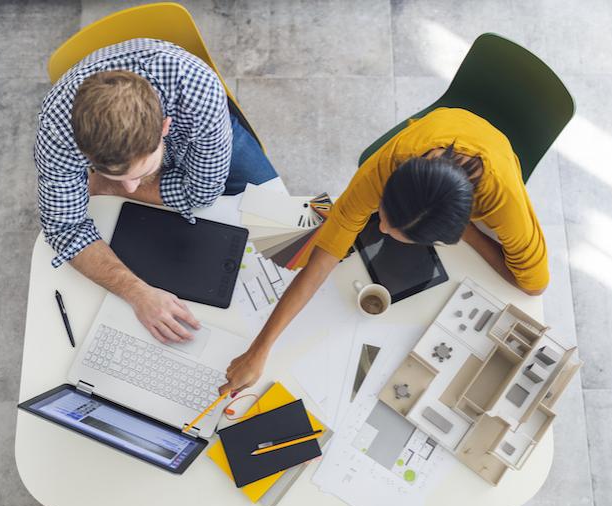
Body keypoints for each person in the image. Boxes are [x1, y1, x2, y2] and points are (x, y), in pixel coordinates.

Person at [219, 107, 548, 395]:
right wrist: (258, 351)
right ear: (389, 186)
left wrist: (470, 234)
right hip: (438, 129)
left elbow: (534, 284)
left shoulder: (503, 200)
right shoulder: (389, 164)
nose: (381, 229)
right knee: (316, 235)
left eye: (395, 230)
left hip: (493, 153)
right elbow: (321, 261)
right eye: (384, 215)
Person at [35, 39, 277, 345]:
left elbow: (203, 193)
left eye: (138, 175)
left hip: (199, 133)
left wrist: (105, 185)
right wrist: (137, 293)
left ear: (164, 127)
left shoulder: (198, 88)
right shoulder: (58, 129)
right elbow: (64, 229)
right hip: (167, 149)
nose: (131, 190)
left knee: (273, 206)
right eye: (118, 179)